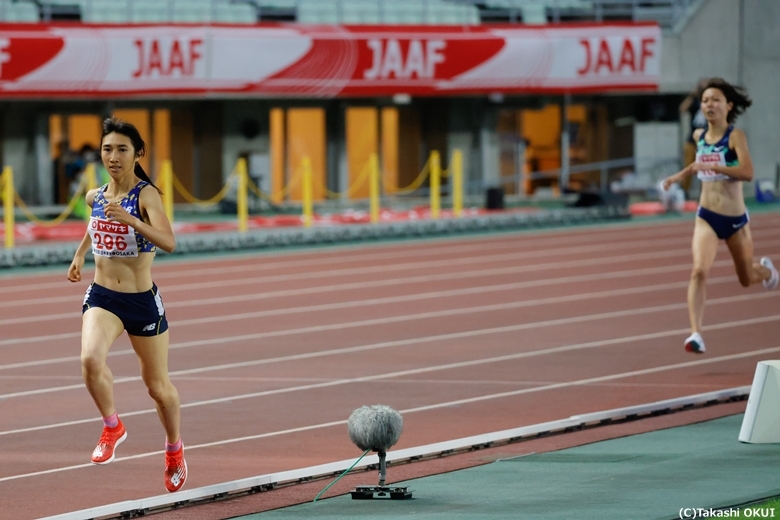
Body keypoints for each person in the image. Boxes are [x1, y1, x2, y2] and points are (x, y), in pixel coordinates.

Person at [67, 117, 186, 492]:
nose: (113, 157)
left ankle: (174, 450)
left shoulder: (146, 195)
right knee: (89, 359)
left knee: (157, 386)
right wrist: (80, 254)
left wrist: (132, 220)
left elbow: (169, 242)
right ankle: (112, 426)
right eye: (107, 149)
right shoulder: (96, 195)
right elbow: (95, 221)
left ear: (138, 154)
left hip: (141, 302)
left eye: (121, 149)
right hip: (103, 295)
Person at [662, 78, 778, 354]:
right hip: (707, 217)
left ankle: (765, 270)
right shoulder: (699, 136)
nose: (708, 105)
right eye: (705, 101)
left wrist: (719, 168)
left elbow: (748, 173)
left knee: (746, 277)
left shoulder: (735, 137)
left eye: (715, 100)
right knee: (698, 271)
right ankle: (696, 334)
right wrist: (680, 175)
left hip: (736, 220)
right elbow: (700, 162)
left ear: (728, 105)